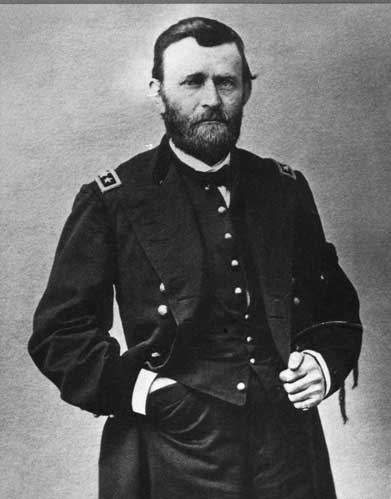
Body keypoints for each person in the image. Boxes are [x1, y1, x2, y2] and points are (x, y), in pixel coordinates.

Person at [29, 17, 362, 499]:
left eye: (226, 82)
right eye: (192, 82)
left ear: (246, 90)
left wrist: (320, 363)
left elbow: (334, 307)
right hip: (172, 452)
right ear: (157, 92)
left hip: (288, 452)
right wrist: (148, 393)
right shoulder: (113, 199)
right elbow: (60, 332)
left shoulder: (284, 188)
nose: (211, 99)